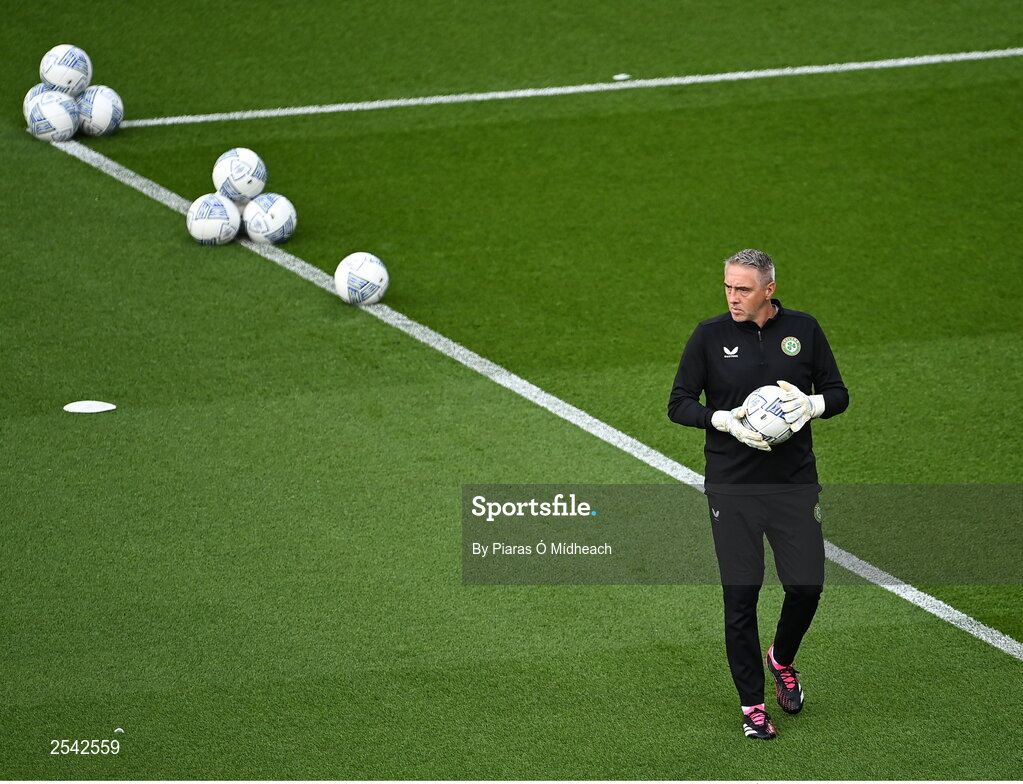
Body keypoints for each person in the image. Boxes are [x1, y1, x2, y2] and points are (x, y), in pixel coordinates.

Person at [667, 249, 849, 741]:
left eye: (743, 289)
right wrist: (720, 419)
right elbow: (679, 403)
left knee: (807, 587)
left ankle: (781, 658)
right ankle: (752, 706)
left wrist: (812, 404)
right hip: (733, 487)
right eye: (727, 287)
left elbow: (839, 393)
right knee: (741, 599)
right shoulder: (710, 336)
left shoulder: (805, 330)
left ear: (769, 289)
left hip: (794, 484)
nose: (733, 297)